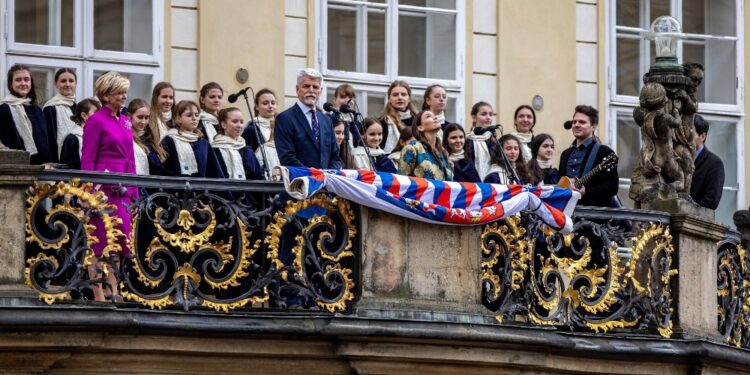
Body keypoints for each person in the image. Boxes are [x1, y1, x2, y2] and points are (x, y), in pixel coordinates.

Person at [81, 71, 137, 302]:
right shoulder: (95, 121)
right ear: (105, 95)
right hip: (102, 190)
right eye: (119, 92)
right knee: (98, 242)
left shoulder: (125, 120)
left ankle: (113, 289)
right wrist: (86, 192)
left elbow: (131, 157)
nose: (124, 96)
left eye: (125, 92)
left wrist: (135, 192)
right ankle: (98, 293)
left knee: (119, 241)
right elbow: (87, 158)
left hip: (123, 188)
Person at [274, 68, 341, 169]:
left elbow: (335, 157)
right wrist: (312, 175)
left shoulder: (326, 121)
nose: (311, 90)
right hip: (299, 182)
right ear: (297, 89)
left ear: (320, 91)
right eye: (306, 86)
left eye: (315, 87)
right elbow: (287, 157)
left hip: (326, 182)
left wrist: (328, 177)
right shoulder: (284, 119)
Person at [558, 105, 619, 207]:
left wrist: (586, 192)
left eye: (582, 122)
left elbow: (612, 187)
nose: (576, 125)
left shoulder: (604, 152)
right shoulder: (565, 154)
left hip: (592, 215)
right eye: (574, 122)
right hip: (566, 212)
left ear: (593, 126)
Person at [0, 64, 53, 164]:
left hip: (42, 168)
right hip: (17, 168)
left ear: (31, 83)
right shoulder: (4, 109)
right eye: (18, 80)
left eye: (26, 79)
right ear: (11, 84)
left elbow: (45, 142)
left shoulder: (37, 110)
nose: (23, 83)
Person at [161, 100, 225, 178]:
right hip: (176, 187)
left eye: (197, 115)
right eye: (189, 115)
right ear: (178, 119)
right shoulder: (169, 140)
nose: (194, 118)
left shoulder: (203, 143)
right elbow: (162, 169)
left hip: (200, 188)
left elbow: (214, 171)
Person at [399, 110, 453, 181]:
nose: (435, 118)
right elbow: (402, 181)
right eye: (428, 116)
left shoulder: (443, 152)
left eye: (435, 116)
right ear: (420, 127)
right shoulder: (412, 148)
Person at [213, 107, 263, 180]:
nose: (239, 125)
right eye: (235, 121)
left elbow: (257, 175)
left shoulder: (247, 150)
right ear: (223, 124)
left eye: (241, 122)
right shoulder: (214, 150)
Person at [690, 115, 725, 210]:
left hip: (694, 221)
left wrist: (687, 209)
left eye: (690, 134)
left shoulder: (714, 163)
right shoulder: (678, 159)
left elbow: (711, 201)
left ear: (702, 136)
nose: (685, 137)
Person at [43, 68, 77, 162]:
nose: (67, 84)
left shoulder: (78, 108)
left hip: (77, 160)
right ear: (56, 84)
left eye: (71, 81)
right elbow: (49, 139)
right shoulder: (50, 108)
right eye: (63, 81)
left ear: (75, 83)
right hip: (58, 162)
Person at [378, 80, 419, 153]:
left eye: (403, 94)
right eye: (395, 95)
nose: (400, 97)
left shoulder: (419, 120)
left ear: (409, 98)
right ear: (389, 99)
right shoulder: (382, 122)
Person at [59, 99, 100, 170]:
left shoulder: (99, 135)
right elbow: (68, 169)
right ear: (84, 115)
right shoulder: (72, 138)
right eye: (96, 113)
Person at [466, 101, 496, 180]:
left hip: (494, 185)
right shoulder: (467, 140)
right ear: (474, 117)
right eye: (484, 114)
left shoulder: (495, 142)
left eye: (490, 114)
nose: (488, 117)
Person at [242, 88, 277, 152]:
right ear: (257, 107)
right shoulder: (251, 129)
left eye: (273, 103)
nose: (270, 106)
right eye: (265, 103)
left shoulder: (282, 125)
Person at [126, 99, 151, 175]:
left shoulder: (150, 137)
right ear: (129, 116)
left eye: (146, 118)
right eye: (140, 117)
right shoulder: (125, 135)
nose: (143, 122)